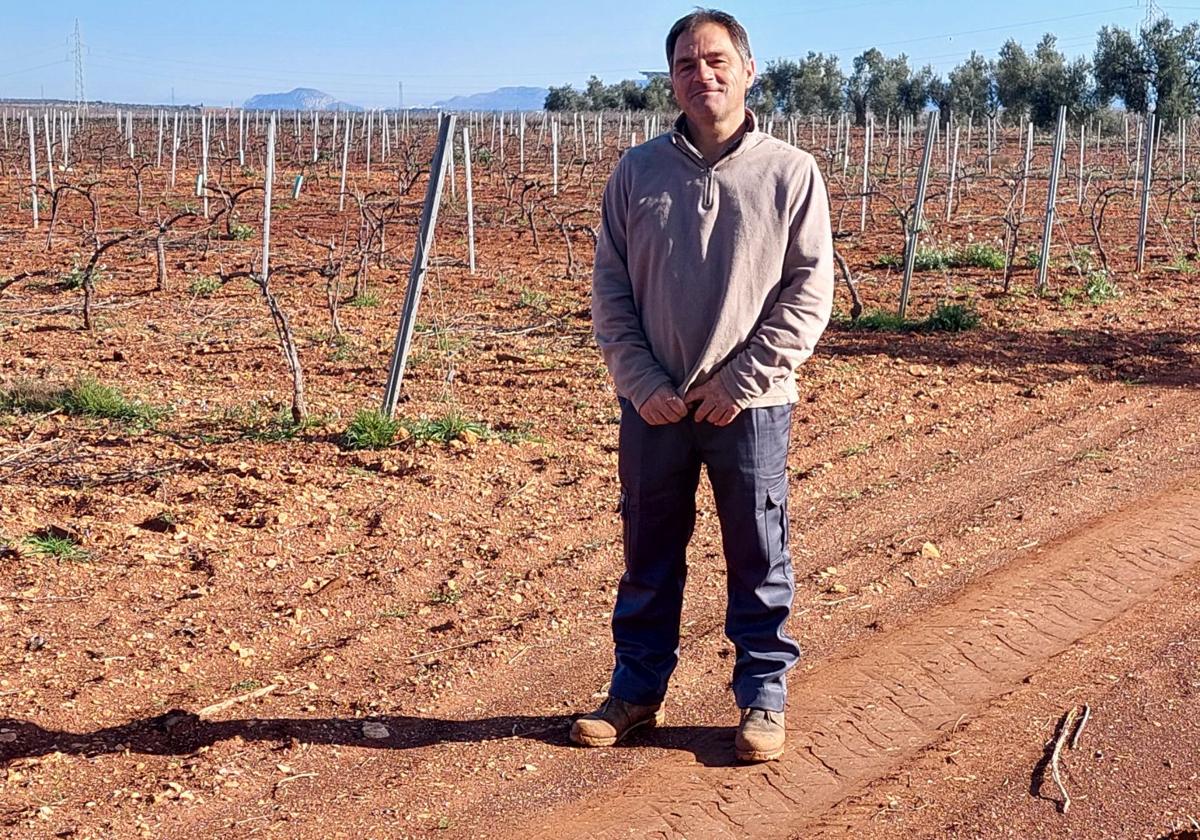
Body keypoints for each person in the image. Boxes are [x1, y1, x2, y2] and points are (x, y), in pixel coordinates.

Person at [571, 8, 834, 763]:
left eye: (717, 60)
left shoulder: (791, 172)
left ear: (749, 71)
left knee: (758, 552)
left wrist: (742, 381)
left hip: (751, 406)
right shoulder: (637, 172)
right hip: (652, 403)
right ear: (672, 82)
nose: (702, 75)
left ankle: (762, 698)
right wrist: (640, 380)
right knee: (648, 553)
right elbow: (611, 290)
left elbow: (808, 294)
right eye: (686, 65)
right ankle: (635, 694)